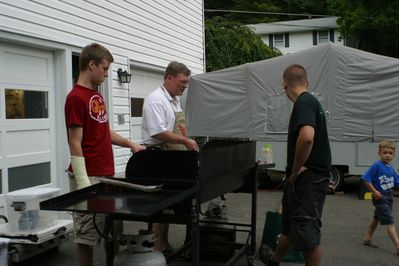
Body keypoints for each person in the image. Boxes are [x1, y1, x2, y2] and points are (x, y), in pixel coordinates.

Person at [65, 42, 145, 266]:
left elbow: (103, 131)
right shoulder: (75, 98)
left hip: (106, 174)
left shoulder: (96, 96)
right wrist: (82, 183)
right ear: (92, 65)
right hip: (87, 177)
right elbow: (74, 141)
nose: (108, 75)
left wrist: (131, 144)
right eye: (105, 68)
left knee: (112, 228)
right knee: (86, 234)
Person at [262, 64, 331, 266]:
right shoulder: (309, 102)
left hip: (307, 179)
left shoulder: (304, 102)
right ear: (307, 82)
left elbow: (307, 137)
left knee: (308, 234)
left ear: (284, 84)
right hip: (304, 179)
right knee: (290, 227)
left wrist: (296, 168)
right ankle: (274, 261)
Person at [141, 60, 199, 253]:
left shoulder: (174, 99)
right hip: (156, 158)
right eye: (182, 82)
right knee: (160, 205)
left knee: (169, 203)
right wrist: (185, 142)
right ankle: (157, 250)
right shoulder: (155, 99)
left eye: (186, 82)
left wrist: (187, 141)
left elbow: (179, 128)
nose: (184, 86)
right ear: (169, 78)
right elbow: (158, 132)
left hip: (172, 156)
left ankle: (164, 245)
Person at [361, 139, 399, 254]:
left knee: (377, 218)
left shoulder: (391, 168)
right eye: (385, 152)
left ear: (394, 155)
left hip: (389, 197)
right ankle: (398, 245)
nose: (387, 155)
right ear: (379, 153)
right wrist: (374, 191)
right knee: (390, 221)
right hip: (380, 198)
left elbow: (397, 183)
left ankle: (367, 238)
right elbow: (365, 179)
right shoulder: (376, 165)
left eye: (390, 153)